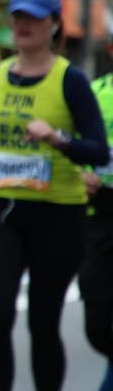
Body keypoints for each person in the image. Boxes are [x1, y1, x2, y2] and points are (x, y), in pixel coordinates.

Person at [0, 0, 108, 391]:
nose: (24, 24)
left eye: (34, 17)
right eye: (18, 16)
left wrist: (58, 139)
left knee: (43, 323)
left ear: (53, 25)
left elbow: (98, 151)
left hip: (58, 214)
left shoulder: (71, 80)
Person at [79, 34, 113, 391]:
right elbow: (71, 147)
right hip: (100, 213)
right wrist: (78, 173)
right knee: (98, 324)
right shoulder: (94, 93)